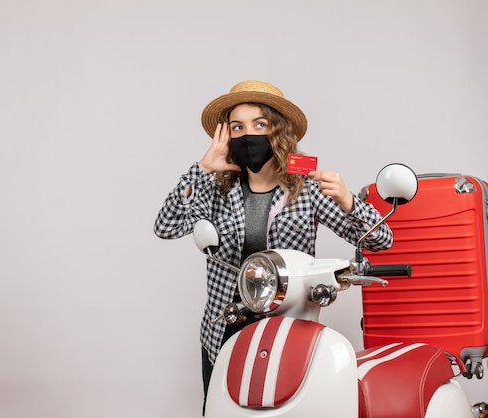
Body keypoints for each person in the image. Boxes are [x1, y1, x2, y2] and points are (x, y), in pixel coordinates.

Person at [153, 80, 393, 414]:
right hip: (225, 324)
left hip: (288, 325)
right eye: (237, 127)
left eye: (259, 124)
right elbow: (166, 227)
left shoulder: (306, 189)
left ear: (277, 131)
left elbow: (381, 241)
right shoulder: (214, 189)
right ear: (226, 136)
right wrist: (201, 168)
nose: (248, 135)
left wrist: (350, 201)